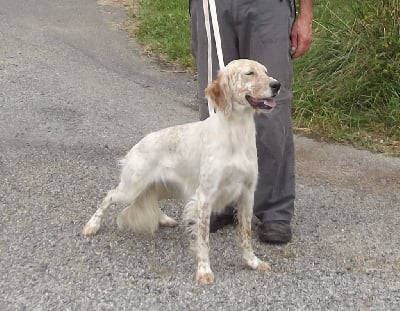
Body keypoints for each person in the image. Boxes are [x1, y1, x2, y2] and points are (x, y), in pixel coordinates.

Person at [189, 0, 313, 244]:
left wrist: (306, 16)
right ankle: (219, 201)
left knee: (270, 107)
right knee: (218, 101)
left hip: (268, 7)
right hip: (214, 5)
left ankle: (274, 210)